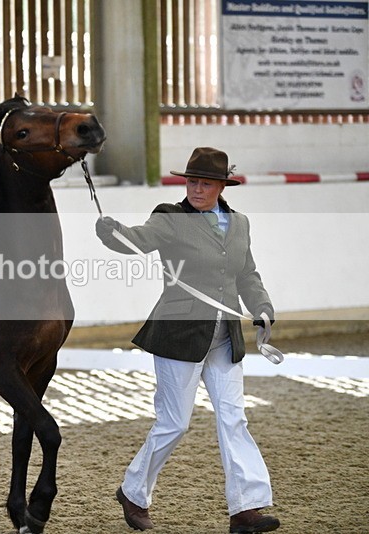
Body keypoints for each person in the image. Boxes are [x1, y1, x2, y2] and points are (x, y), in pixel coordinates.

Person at [94, 147, 280, 533]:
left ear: (221, 186)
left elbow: (247, 273)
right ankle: (134, 492)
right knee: (174, 423)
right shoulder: (171, 217)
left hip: (225, 337)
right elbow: (138, 241)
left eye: (205, 182)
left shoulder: (240, 223)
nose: (196, 188)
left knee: (234, 419)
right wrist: (114, 233)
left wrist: (261, 306)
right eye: (191, 181)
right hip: (179, 333)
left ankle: (246, 509)